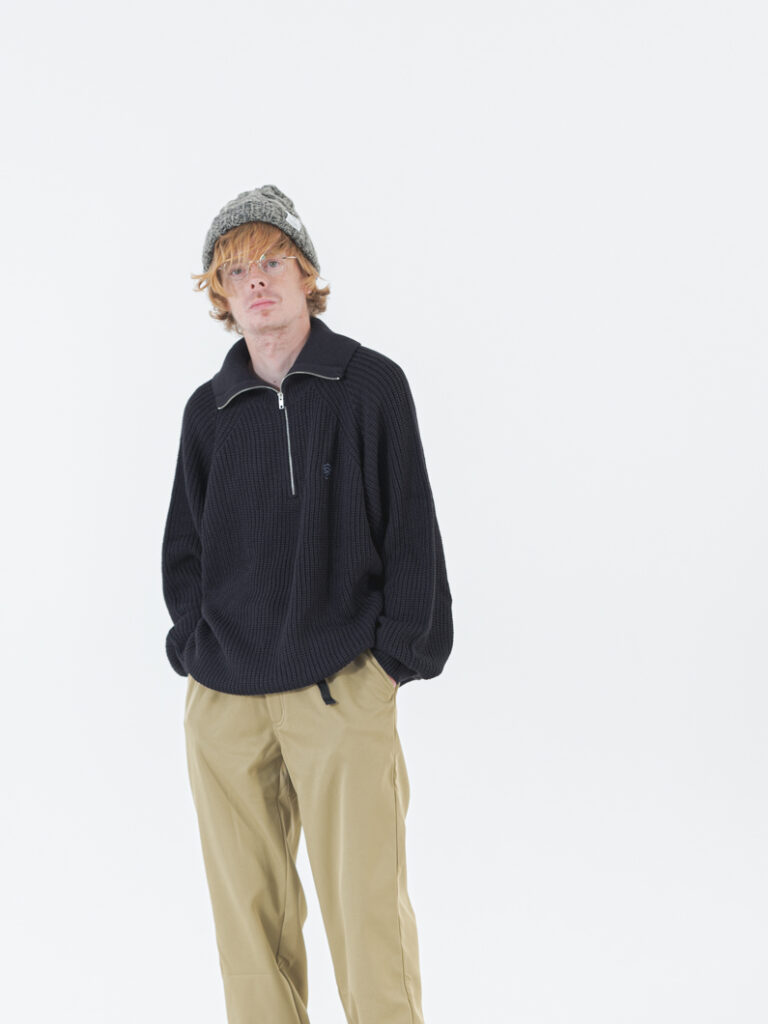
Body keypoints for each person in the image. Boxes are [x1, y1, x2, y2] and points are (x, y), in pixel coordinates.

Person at [161, 184, 453, 1024]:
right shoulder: (208, 412)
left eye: (272, 261)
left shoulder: (370, 386)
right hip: (225, 701)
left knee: (368, 925)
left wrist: (392, 663)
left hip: (341, 690)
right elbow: (185, 549)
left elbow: (411, 530)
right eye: (235, 270)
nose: (256, 280)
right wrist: (195, 651)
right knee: (248, 938)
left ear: (307, 272)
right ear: (220, 293)